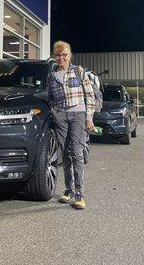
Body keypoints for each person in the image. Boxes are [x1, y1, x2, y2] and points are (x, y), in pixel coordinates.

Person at [47, 40, 95, 210]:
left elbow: (89, 96)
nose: (61, 58)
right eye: (58, 55)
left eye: (64, 54)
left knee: (76, 152)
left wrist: (89, 118)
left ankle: (79, 194)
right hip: (61, 117)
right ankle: (68, 190)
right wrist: (55, 112)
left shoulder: (79, 71)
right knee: (65, 153)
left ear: (70, 55)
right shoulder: (52, 76)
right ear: (55, 57)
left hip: (78, 115)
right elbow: (50, 98)